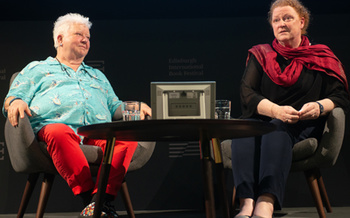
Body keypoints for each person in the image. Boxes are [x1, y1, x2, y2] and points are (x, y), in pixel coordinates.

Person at [2, 13, 151, 218]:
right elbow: (13, 97)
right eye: (79, 34)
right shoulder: (37, 69)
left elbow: (114, 106)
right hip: (55, 132)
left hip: (97, 133)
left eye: (88, 37)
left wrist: (135, 107)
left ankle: (102, 201)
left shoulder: (97, 75)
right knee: (58, 131)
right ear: (60, 39)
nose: (85, 40)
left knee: (126, 138)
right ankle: (90, 199)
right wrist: (16, 102)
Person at [231, 0, 349, 217]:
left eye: (287, 18)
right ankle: (246, 202)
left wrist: (319, 106)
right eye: (276, 20)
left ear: (301, 22)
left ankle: (266, 202)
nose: (281, 24)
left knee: (277, 127)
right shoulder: (261, 54)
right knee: (244, 130)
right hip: (265, 117)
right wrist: (276, 111)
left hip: (302, 124)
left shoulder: (321, 56)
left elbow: (340, 96)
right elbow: (247, 94)